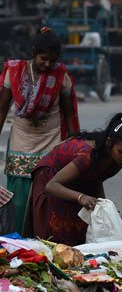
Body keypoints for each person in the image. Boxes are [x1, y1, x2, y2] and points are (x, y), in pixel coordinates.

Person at [0, 27, 79, 234]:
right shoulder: (14, 72)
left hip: (51, 143)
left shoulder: (61, 76)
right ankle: (16, 243)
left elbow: (70, 115)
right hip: (21, 142)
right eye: (43, 59)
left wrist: (74, 148)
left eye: (52, 61)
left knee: (48, 198)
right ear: (33, 52)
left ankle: (45, 242)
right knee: (17, 199)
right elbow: (1, 111)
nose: (48, 64)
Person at [28, 113, 122, 246]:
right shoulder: (86, 155)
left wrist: (105, 207)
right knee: (57, 234)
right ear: (109, 143)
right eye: (121, 152)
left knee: (83, 228)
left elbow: (97, 178)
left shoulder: (119, 156)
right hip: (52, 177)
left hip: (77, 180)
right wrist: (81, 197)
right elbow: (52, 186)